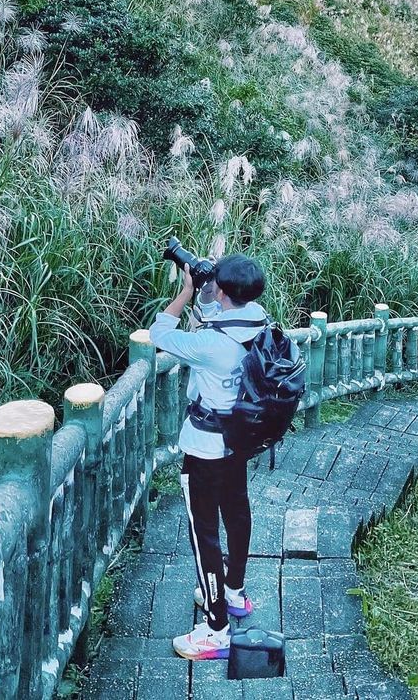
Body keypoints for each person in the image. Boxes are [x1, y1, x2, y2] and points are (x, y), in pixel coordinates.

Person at [149, 252, 268, 662]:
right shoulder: (256, 320)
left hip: (204, 448)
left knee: (204, 536)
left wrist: (185, 292)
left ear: (223, 290)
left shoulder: (210, 346)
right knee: (236, 511)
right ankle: (233, 592)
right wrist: (210, 293)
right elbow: (215, 316)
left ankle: (216, 629)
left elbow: (159, 333)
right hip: (237, 441)